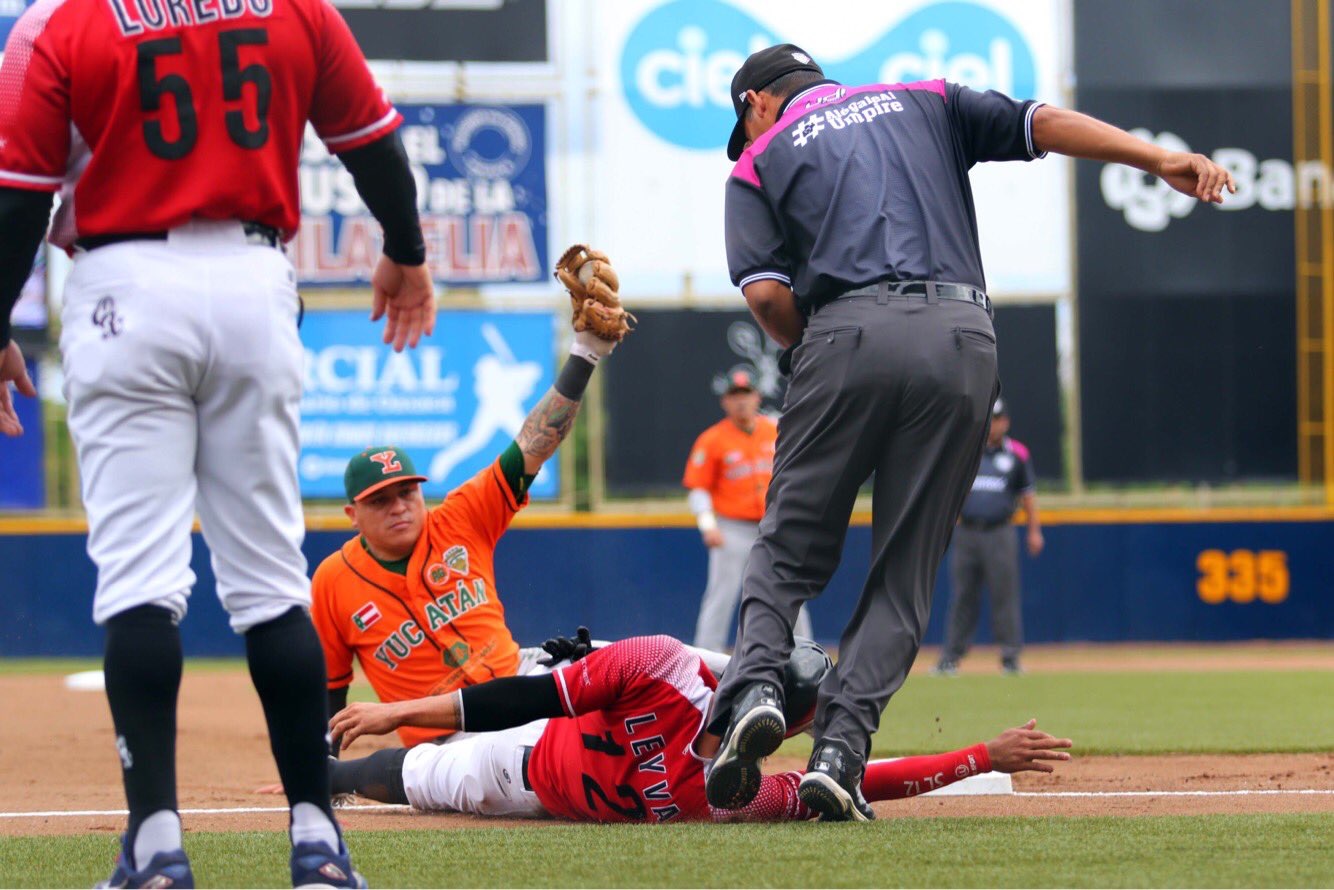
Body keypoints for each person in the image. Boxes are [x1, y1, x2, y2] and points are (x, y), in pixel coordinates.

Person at [704, 43, 1236, 822]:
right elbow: (1041, 123)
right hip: (961, 336)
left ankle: (755, 688)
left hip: (844, 333)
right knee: (906, 568)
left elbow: (768, 303)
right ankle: (842, 751)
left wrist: (836, 344)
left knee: (787, 548)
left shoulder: (756, 163)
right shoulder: (925, 97)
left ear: (755, 101)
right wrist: (1158, 159)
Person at [0, 0, 439, 884]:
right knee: (273, 582)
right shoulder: (294, 6)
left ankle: (157, 845)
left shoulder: (61, 20)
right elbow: (374, 141)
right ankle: (318, 839)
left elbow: (17, 194)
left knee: (139, 582)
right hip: (253, 279)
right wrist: (407, 247)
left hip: (122, 282)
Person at [311, 249, 671, 748]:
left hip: (521, 684)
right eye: (380, 500)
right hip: (445, 743)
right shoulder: (333, 582)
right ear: (353, 514)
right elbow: (331, 688)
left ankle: (766, 691)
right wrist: (318, 768)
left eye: (405, 492)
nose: (398, 506)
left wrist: (585, 353)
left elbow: (534, 442)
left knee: (653, 662)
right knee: (576, 758)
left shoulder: (460, 516)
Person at [312, 634, 1071, 822]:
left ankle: (331, 779)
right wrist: (397, 712)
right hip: (529, 762)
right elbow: (525, 697)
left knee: (423, 778)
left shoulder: (746, 791)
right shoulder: (661, 665)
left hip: (536, 790)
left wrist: (981, 758)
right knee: (412, 773)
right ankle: (320, 782)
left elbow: (851, 782)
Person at [683, 370, 812, 650]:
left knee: (789, 589)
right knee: (722, 593)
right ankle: (707, 657)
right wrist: (708, 525)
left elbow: (797, 475)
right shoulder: (713, 439)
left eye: (746, 394)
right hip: (732, 528)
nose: (741, 401)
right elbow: (699, 489)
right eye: (734, 396)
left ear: (757, 397)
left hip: (774, 526)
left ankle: (804, 652)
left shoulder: (776, 430)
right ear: (725, 402)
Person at [936, 397, 1043, 676]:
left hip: (999, 532)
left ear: (1005, 422)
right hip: (968, 531)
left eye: (998, 419)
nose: (993, 425)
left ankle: (1010, 657)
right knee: (962, 596)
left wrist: (1034, 531)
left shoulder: (1016, 454)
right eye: (990, 419)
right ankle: (950, 657)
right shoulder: (967, 451)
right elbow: (950, 493)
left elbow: (1028, 496)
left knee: (1004, 595)